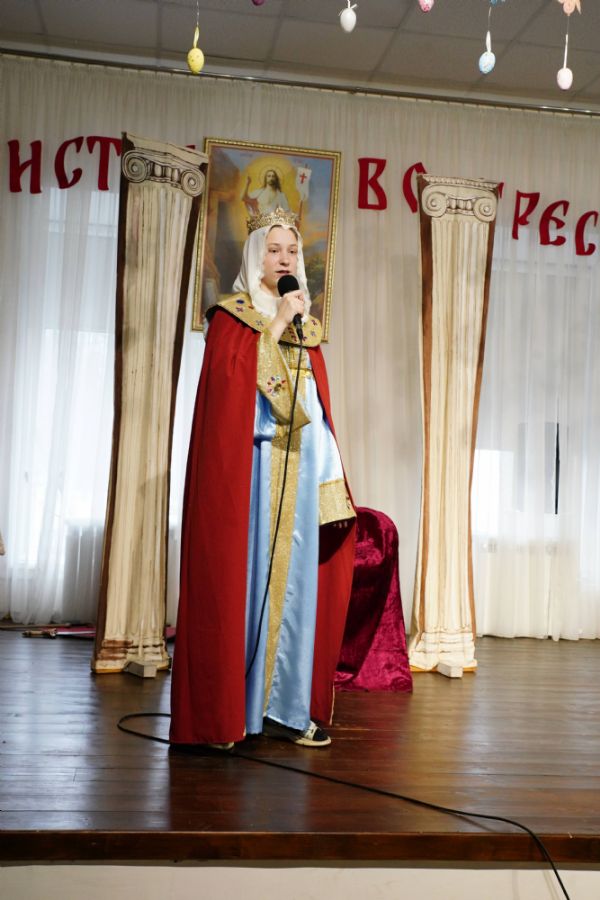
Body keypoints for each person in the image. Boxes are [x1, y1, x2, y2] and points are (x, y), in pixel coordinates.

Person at [170, 207, 356, 750]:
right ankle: (228, 714)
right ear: (256, 256)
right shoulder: (232, 319)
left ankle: (287, 710)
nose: (285, 260)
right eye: (274, 250)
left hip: (298, 478)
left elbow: (317, 410)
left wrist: (330, 481)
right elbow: (231, 392)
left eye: (292, 251)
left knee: (296, 595)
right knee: (242, 589)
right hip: (250, 477)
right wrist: (273, 325)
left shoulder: (307, 329)